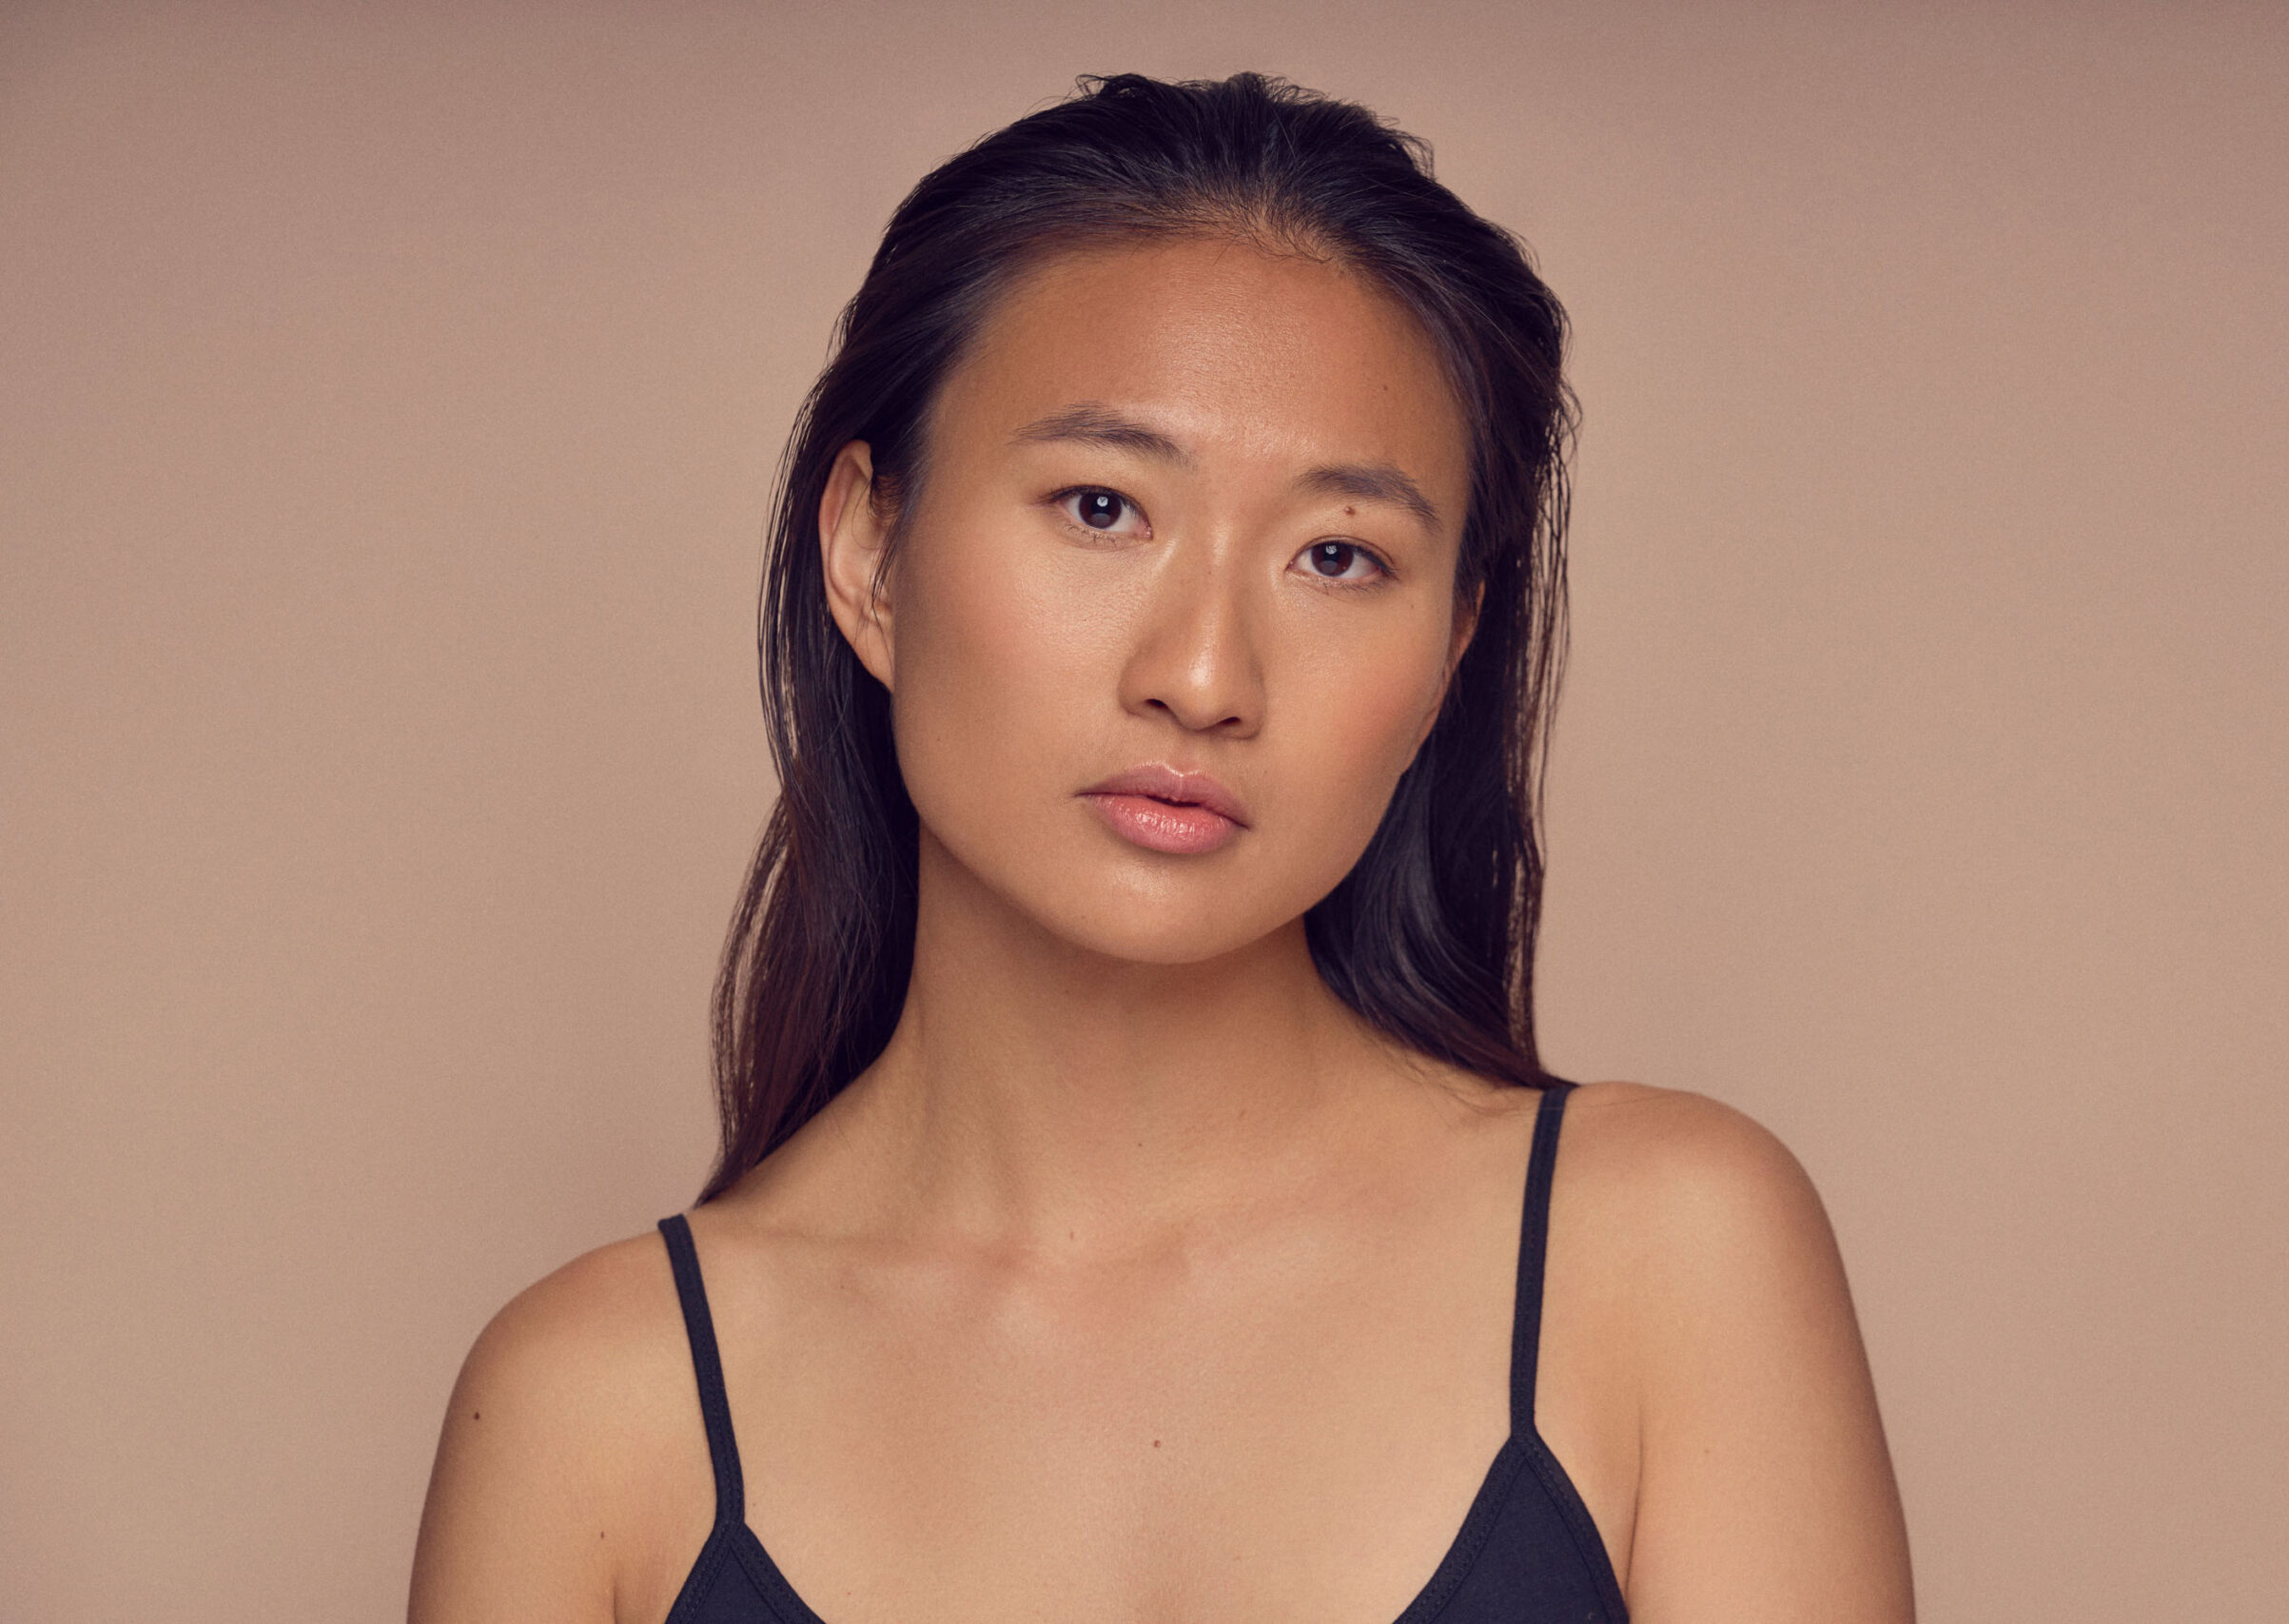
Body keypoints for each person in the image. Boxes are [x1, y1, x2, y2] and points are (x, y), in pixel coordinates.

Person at [407, 71, 1912, 1624]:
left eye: (1339, 555)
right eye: (1103, 506)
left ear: (1453, 652)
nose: (1203, 675)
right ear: (869, 549)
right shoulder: (591, 1412)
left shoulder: (1666, 1257)